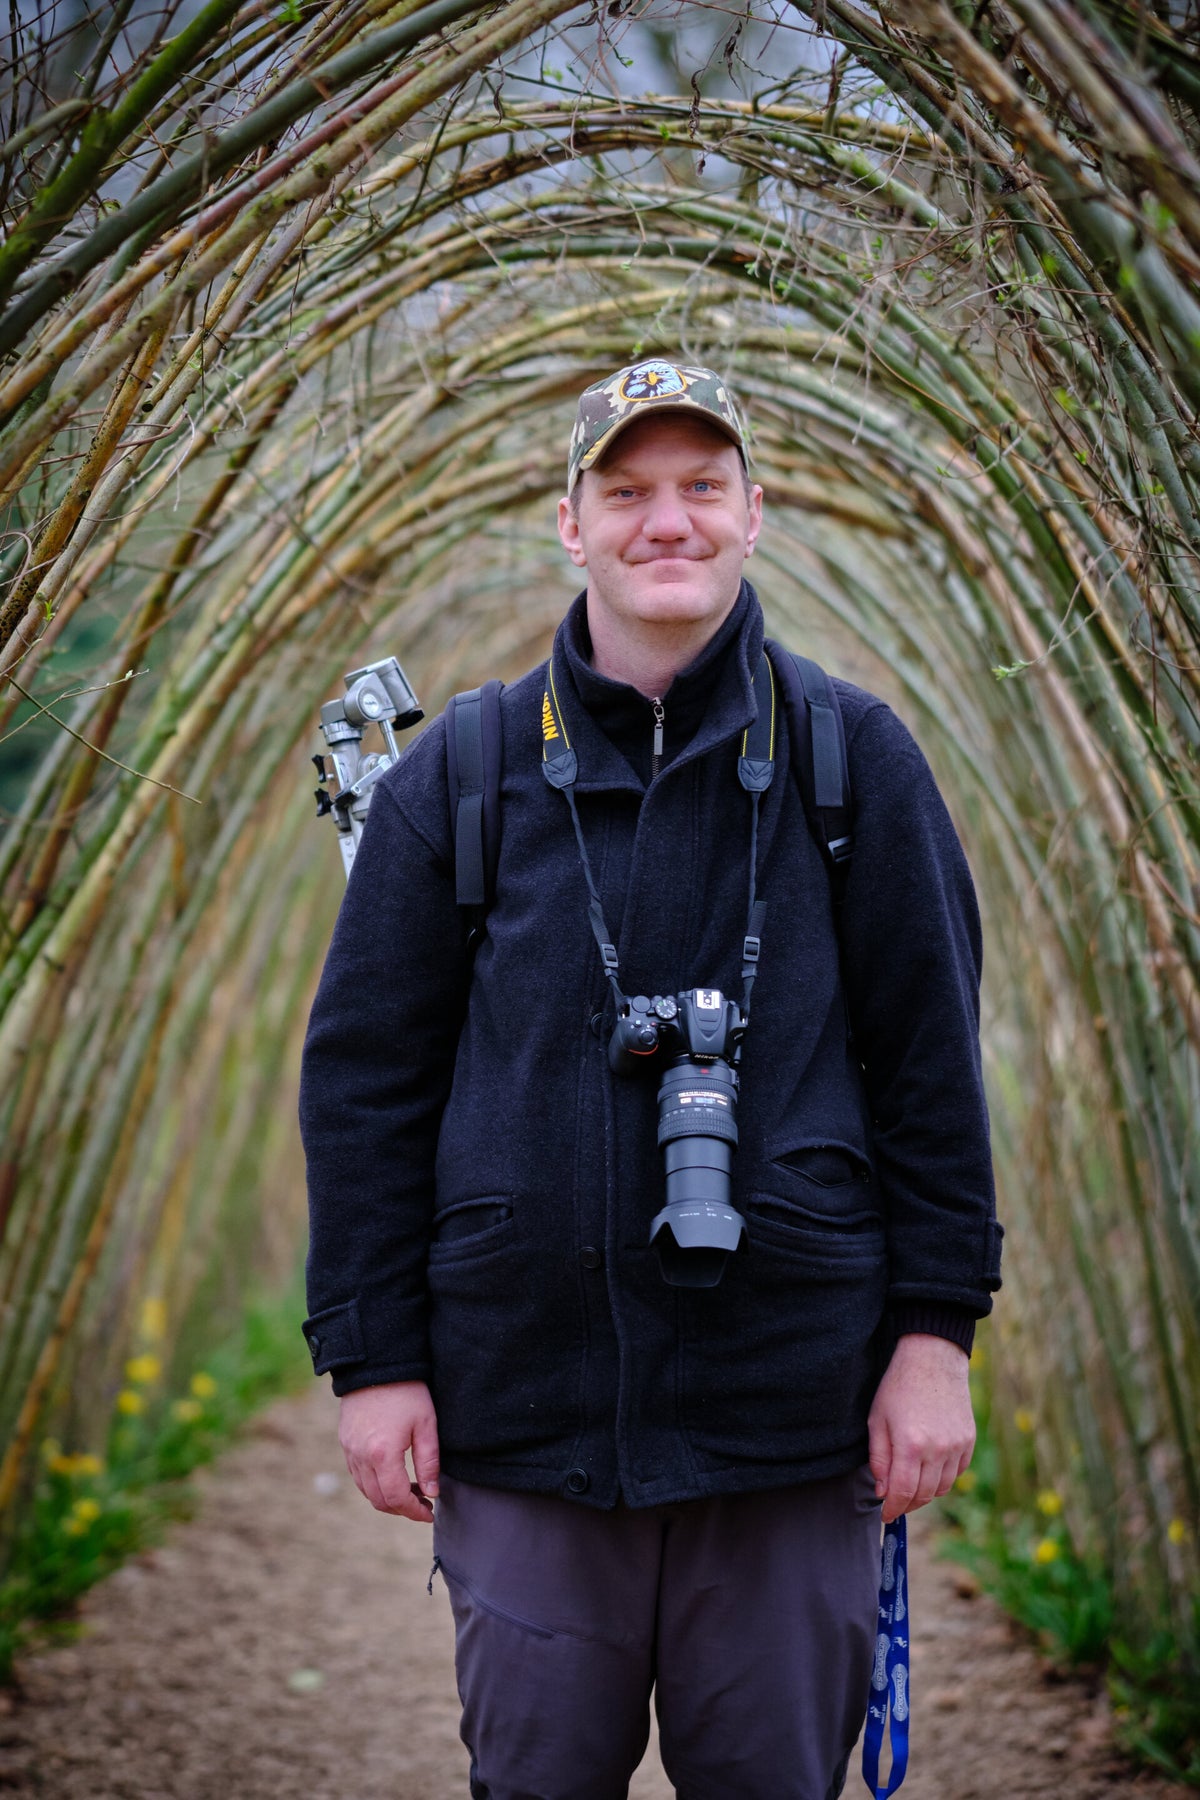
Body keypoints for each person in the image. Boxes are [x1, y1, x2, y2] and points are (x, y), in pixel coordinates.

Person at [299, 357, 1002, 1800]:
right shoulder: (467, 776)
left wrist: (937, 1334)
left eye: (700, 487)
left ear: (759, 513)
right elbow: (366, 1082)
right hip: (528, 1417)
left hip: (792, 1419)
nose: (663, 521)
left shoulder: (850, 758)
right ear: (572, 524)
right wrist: (372, 1362)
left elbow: (932, 1062)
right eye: (627, 492)